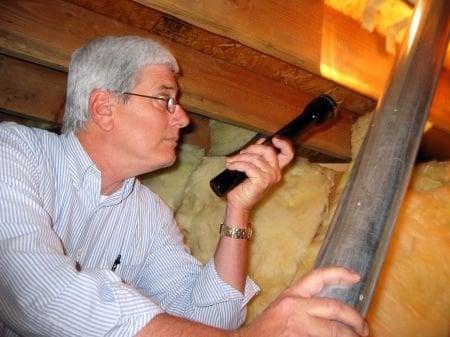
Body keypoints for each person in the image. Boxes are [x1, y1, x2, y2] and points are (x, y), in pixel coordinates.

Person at [0, 36, 368, 337]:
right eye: (166, 100)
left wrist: (239, 208)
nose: (184, 118)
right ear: (103, 107)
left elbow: (209, 320)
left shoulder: (149, 212)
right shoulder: (11, 153)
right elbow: (34, 293)